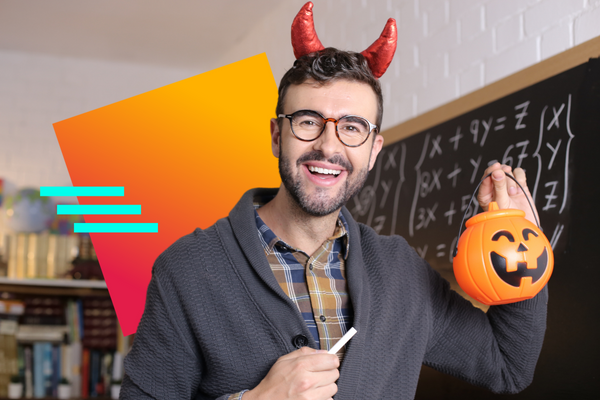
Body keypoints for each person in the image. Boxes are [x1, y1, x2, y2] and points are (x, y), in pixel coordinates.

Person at [120, 3, 547, 400]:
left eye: (353, 127)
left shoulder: (401, 271)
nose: (329, 146)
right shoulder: (188, 269)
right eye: (308, 121)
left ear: (374, 149)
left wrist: (521, 236)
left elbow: (508, 365)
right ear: (276, 136)